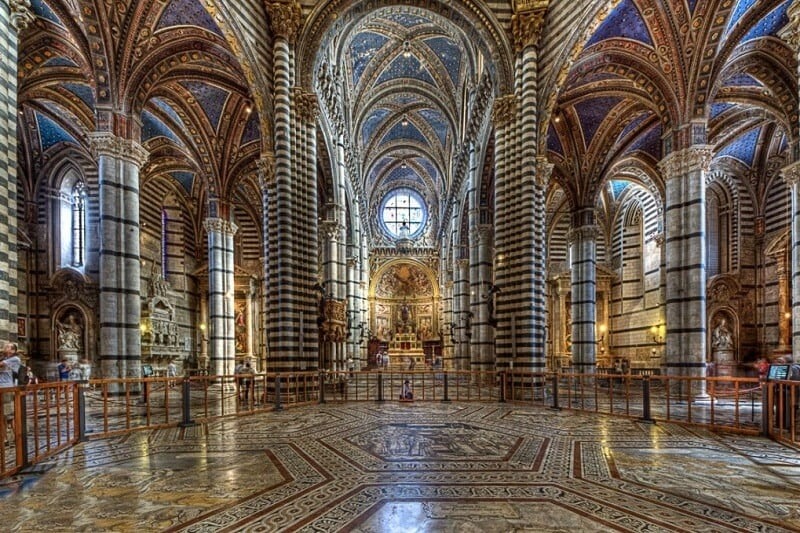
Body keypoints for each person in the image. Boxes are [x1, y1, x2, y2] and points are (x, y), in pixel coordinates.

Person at [0, 343, 22, 443]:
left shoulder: (15, 359)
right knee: (3, 416)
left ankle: (18, 438)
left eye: (7, 346)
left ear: (13, 350)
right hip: (2, 389)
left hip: (7, 389)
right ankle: (4, 438)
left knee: (8, 415)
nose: (4, 347)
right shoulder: (4, 358)